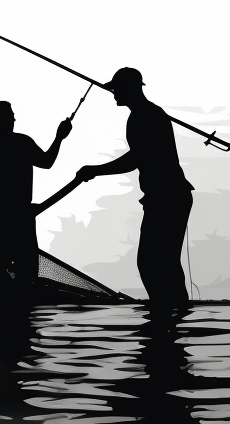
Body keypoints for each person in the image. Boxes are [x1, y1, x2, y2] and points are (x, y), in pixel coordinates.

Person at [77, 68, 194, 303]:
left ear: (129, 88)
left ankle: (170, 311)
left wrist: (96, 170)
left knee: (154, 262)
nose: (113, 93)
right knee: (160, 262)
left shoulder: (144, 116)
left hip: (168, 196)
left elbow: (136, 159)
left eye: (116, 88)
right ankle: (172, 311)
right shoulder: (145, 114)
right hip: (165, 196)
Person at [0, 101, 72, 284]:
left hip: (1, 215)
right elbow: (47, 162)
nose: (13, 118)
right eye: (9, 115)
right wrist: (59, 138)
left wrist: (59, 137)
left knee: (0, 272)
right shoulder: (22, 142)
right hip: (21, 216)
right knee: (26, 274)